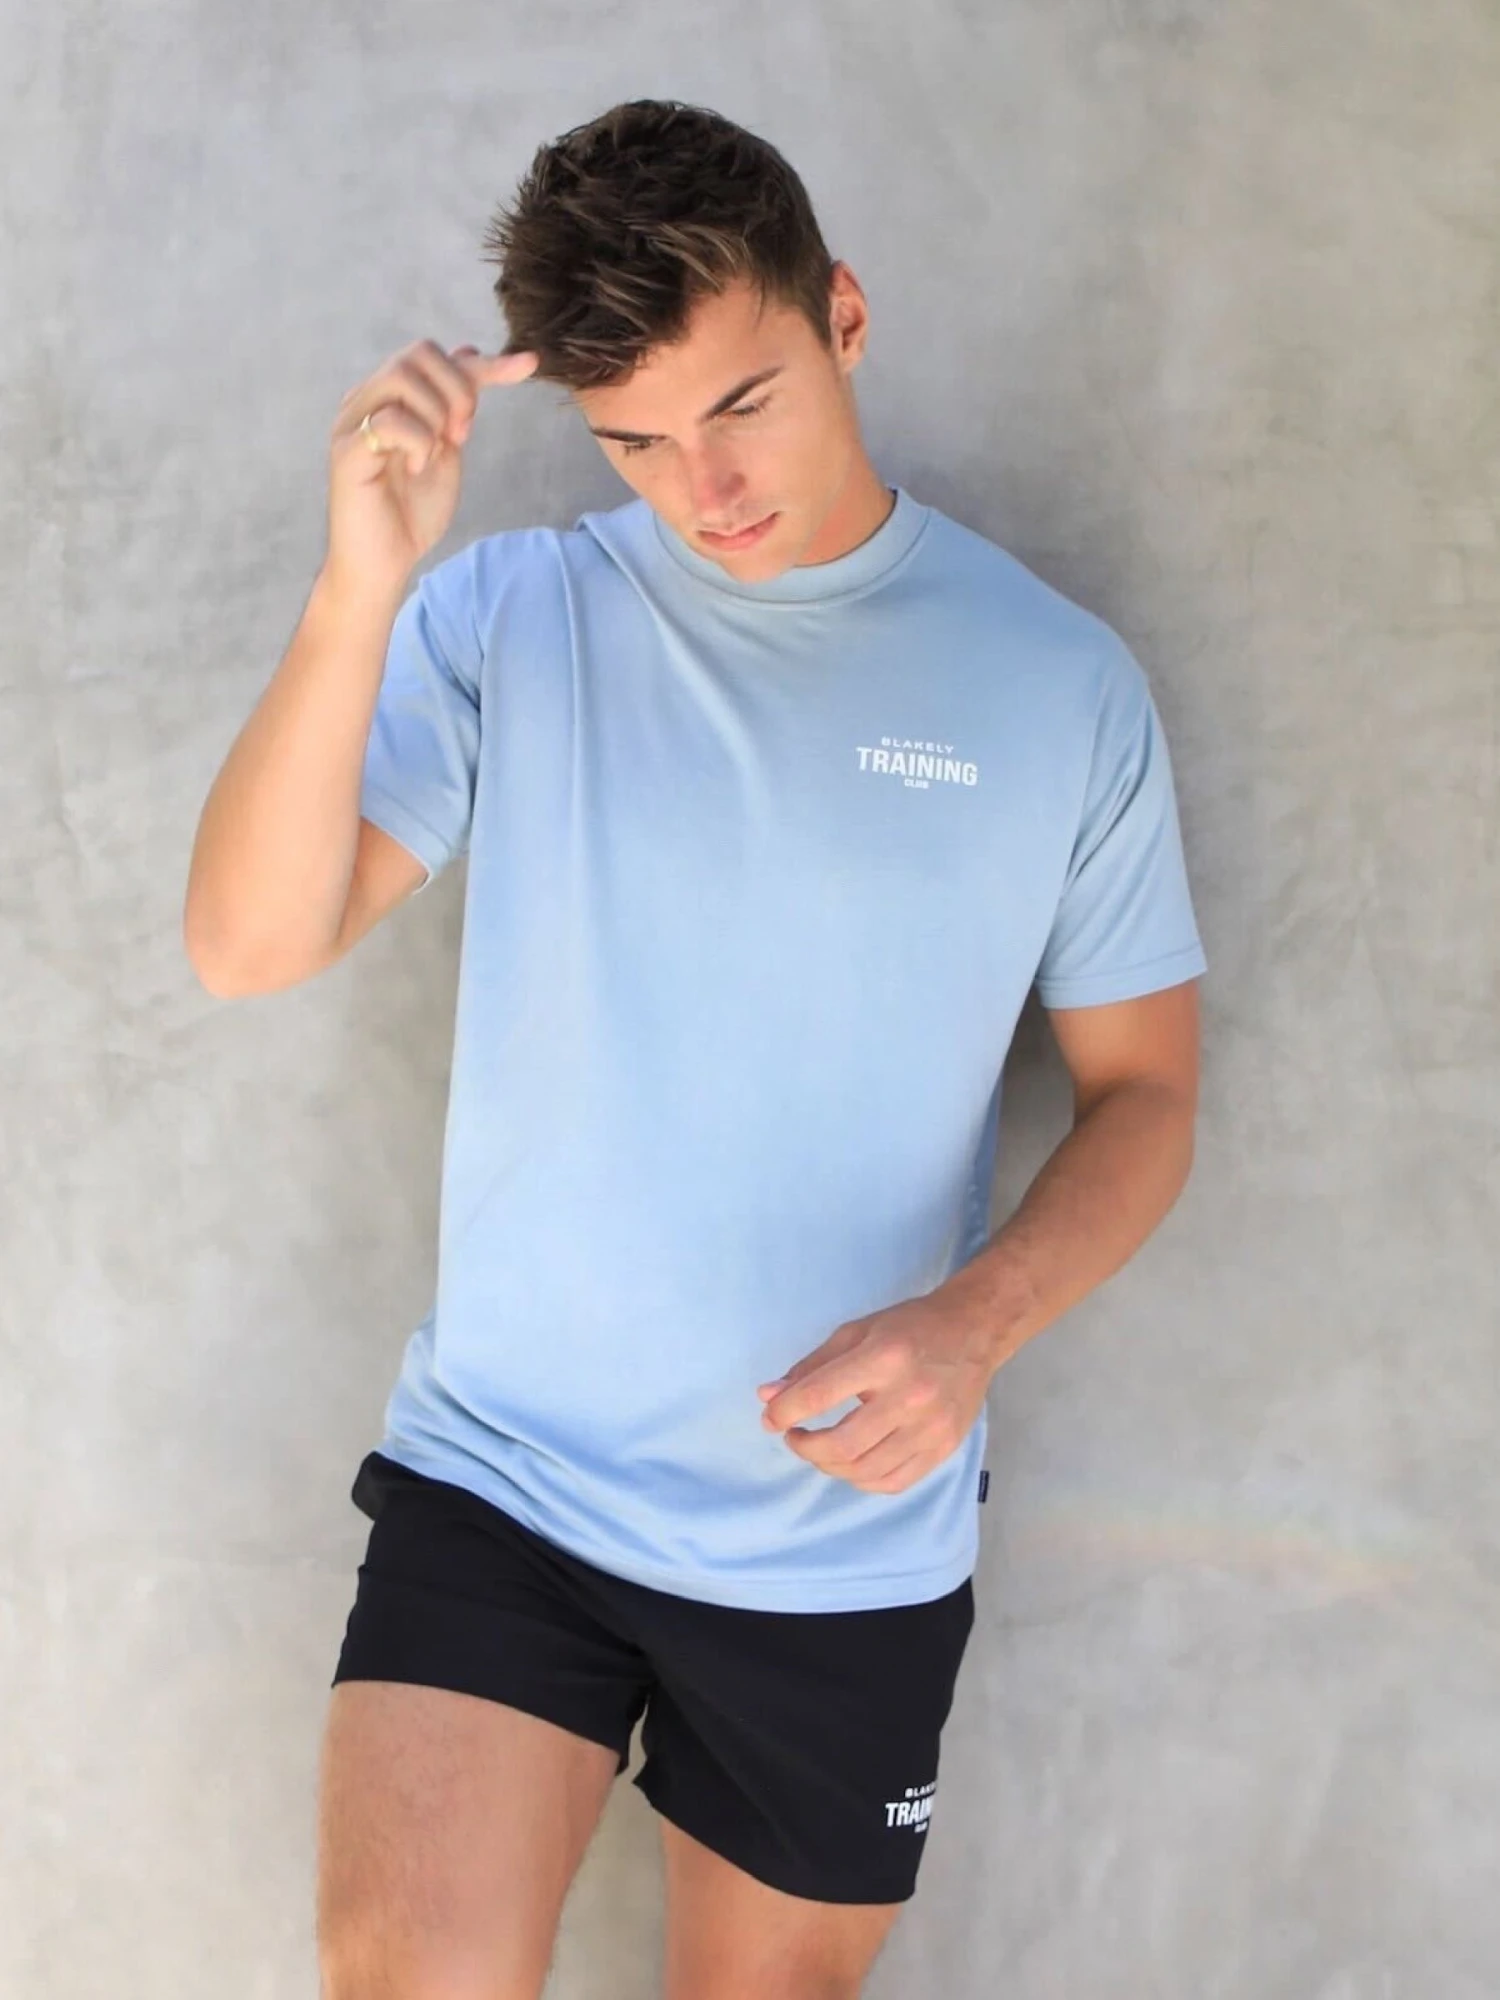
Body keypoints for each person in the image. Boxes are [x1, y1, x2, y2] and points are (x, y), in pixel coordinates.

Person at [184, 96, 1207, 2000]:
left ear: (844, 316)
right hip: (509, 1481)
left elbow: (1147, 1095)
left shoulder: (1058, 684)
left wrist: (975, 1326)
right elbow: (248, 944)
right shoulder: (513, 616)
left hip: (836, 1540)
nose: (705, 487)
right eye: (637, 441)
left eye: (742, 404)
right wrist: (359, 586)